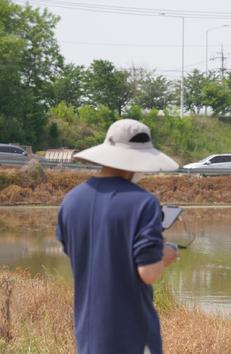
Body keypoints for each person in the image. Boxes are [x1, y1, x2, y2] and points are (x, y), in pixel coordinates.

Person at [56, 119, 179, 354]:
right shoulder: (143, 203)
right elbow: (149, 272)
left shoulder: (70, 201)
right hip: (131, 334)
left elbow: (87, 252)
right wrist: (166, 254)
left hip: (88, 334)